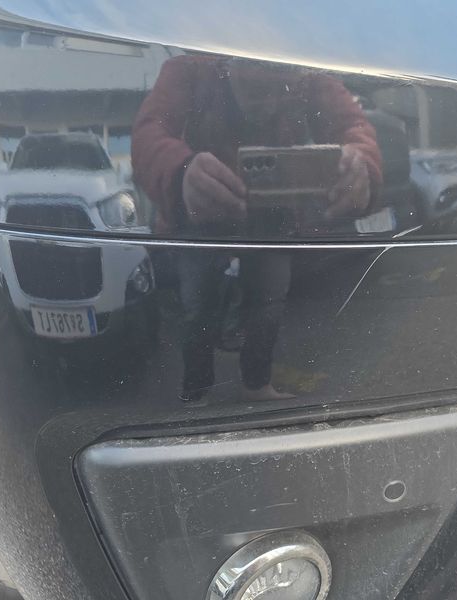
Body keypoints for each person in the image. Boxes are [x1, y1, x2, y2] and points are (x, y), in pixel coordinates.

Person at [131, 55, 382, 402]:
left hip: (266, 213)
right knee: (200, 307)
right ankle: (198, 390)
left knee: (265, 303)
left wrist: (361, 161)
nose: (269, 104)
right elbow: (149, 132)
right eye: (255, 90)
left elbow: (352, 124)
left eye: (280, 90)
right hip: (203, 214)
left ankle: (247, 385)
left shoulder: (304, 73)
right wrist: (180, 172)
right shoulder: (193, 66)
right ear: (228, 66)